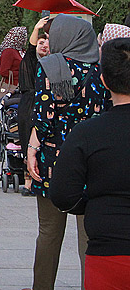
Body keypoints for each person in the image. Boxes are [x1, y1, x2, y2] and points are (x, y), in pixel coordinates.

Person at [26, 14, 109, 290]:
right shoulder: (101, 71)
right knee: (89, 235)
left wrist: (31, 149)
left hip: (55, 161)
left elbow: (43, 117)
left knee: (49, 232)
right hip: (93, 161)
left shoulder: (49, 67)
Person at [50, 37, 130, 289]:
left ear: (104, 80)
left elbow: (63, 194)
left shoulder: (87, 133)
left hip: (107, 247)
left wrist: (92, 204)